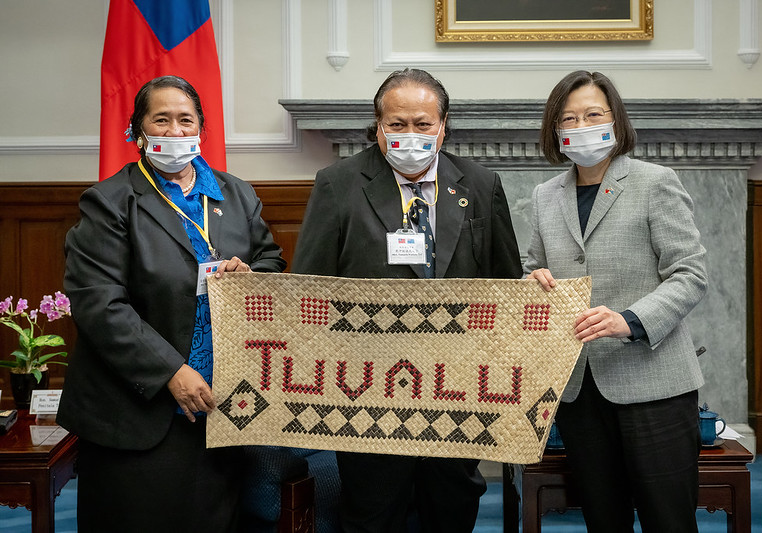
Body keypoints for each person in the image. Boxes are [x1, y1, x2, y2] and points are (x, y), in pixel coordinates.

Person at [292, 68, 522, 532]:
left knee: (451, 510)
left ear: (443, 126)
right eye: (397, 124)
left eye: (422, 124)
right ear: (377, 126)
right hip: (367, 391)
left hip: (457, 389)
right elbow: (308, 289)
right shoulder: (338, 183)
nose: (410, 134)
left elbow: (506, 285)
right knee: (373, 514)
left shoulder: (481, 184)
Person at [57, 75, 286, 532]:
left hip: (220, 404)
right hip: (139, 411)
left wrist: (251, 277)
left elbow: (271, 262)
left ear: (202, 128)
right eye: (161, 120)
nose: (175, 131)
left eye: (186, 120)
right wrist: (170, 372)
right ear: (138, 131)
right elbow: (99, 305)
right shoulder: (109, 201)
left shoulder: (235, 193)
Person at [524, 70, 707, 532]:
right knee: (603, 519)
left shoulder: (655, 182)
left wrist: (630, 320)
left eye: (593, 114)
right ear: (555, 129)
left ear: (615, 119)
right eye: (569, 118)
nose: (581, 126)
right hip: (579, 389)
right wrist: (531, 280)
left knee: (669, 520)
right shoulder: (546, 196)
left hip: (654, 384)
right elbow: (533, 267)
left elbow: (690, 273)